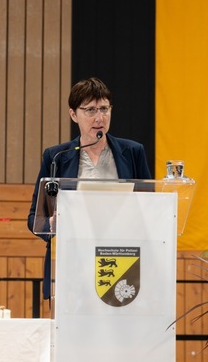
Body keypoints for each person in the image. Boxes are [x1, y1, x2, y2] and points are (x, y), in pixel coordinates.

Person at [27, 77, 153, 299]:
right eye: (90, 110)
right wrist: (52, 223)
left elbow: (149, 209)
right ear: (73, 114)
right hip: (73, 263)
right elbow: (35, 220)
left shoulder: (132, 152)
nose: (99, 118)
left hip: (123, 260)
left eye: (104, 109)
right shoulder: (57, 157)